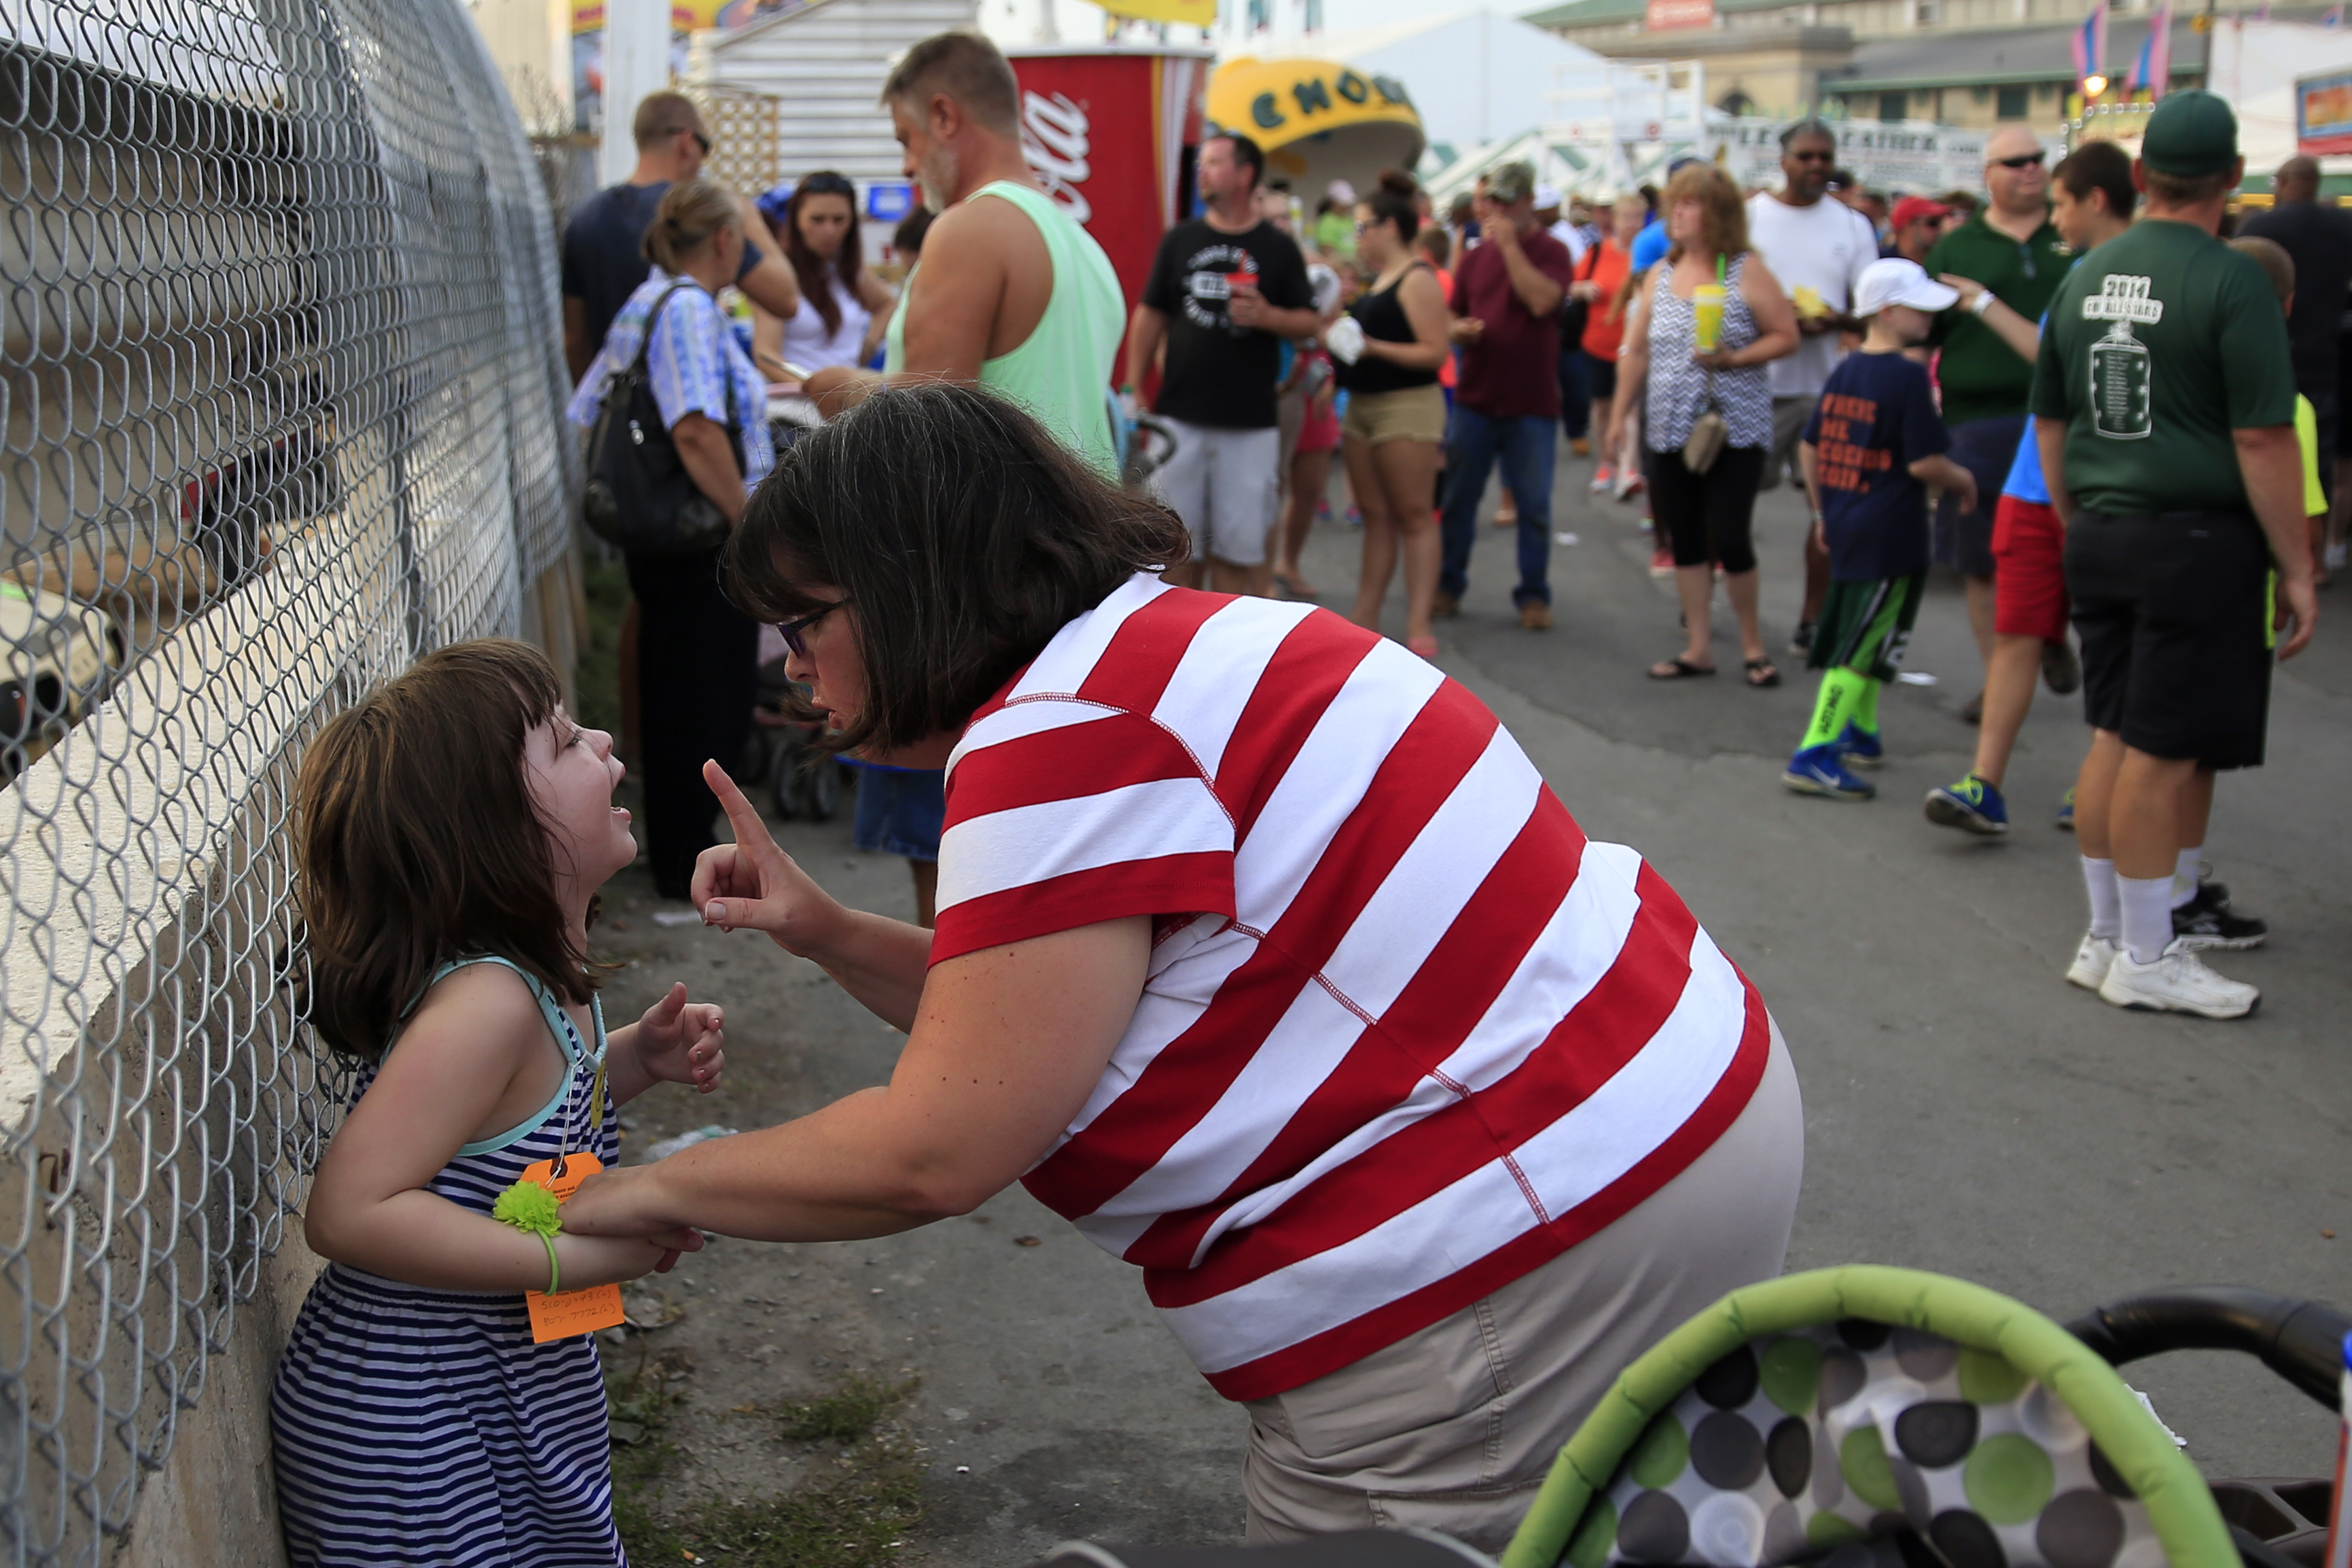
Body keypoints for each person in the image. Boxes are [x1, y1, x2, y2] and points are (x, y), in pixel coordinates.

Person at [557, 382, 1805, 1552]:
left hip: (1517, 1243)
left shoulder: (1055, 737)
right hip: (1663, 1114)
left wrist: (646, 1188)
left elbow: (936, 1146)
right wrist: (825, 929)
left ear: (903, 583)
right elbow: (1035, 1030)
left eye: (803, 620)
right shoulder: (1165, 650)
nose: (789, 662)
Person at [272, 641, 719, 1567]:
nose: (601, 741)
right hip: (410, 1418)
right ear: (499, 827)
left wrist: (634, 1057)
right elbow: (349, 1212)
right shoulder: (487, 1003)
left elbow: (516, 1123)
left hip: (497, 1382)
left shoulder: (551, 978)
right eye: (562, 744)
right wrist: (574, 1259)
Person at [2032, 90, 2313, 1018]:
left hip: (2102, 529)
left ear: (2141, 178)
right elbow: (2264, 440)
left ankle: (2109, 934)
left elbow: (2052, 418)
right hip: (2192, 539)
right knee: (2159, 749)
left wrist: (2079, 519)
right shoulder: (2231, 279)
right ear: (2234, 177)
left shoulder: (2083, 276)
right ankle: (2147, 953)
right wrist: (2299, 568)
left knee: (2115, 736)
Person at [567, 181, 773, 901]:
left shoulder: (650, 299)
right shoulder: (687, 308)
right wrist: (746, 514)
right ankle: (686, 863)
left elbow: (588, 397)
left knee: (677, 689)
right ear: (723, 241)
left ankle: (680, 853)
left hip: (664, 534)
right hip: (696, 536)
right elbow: (693, 426)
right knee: (700, 698)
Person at [1924, 142, 2135, 838]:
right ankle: (1985, 785)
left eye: (2063, 201)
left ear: (2093, 201)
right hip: (2035, 486)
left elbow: (2052, 387)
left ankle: (2096, 781)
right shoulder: (2078, 277)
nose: (2055, 214)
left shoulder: (2124, 274)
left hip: (2107, 493)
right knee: (2016, 634)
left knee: (2113, 640)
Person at [802, 31, 1125, 480]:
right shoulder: (1083, 244)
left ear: (943, 116)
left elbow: (927, 421)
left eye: (905, 140)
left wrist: (845, 390)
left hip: (1002, 538)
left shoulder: (971, 227)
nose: (907, 167)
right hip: (1080, 529)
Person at [1784, 261, 1979, 800]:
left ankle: (1861, 732)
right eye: (1920, 307)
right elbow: (1924, 463)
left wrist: (1822, 513)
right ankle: (1814, 750)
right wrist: (1963, 481)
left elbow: (1810, 445)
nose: (1930, 316)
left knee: (1868, 634)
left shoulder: (1847, 368)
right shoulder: (1908, 376)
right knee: (1863, 642)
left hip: (1847, 521)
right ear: (1889, 313)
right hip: (1891, 529)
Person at [1610, 162, 1800, 685]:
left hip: (1732, 428)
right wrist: (1621, 414)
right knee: (1686, 538)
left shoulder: (1745, 270)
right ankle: (1698, 646)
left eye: (1690, 205)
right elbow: (1637, 350)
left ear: (1717, 215)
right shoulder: (1661, 274)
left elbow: (1785, 335)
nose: (1679, 213)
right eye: (1676, 203)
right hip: (1668, 426)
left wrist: (1734, 358)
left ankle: (1753, 646)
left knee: (1733, 535)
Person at [1124, 131, 1319, 594]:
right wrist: (1134, 386)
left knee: (1241, 551)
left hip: (1250, 423)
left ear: (1244, 173)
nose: (1203, 171)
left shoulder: (1276, 247)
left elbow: (1310, 321)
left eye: (1214, 162)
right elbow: (1151, 312)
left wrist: (1269, 316)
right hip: (1180, 418)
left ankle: (1227, 653)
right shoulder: (1182, 240)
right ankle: (1177, 650)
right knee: (1169, 548)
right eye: (1203, 163)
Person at [1924, 125, 2069, 717]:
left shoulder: (2073, 235)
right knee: (1982, 559)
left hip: (2062, 418)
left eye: (2038, 159)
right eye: (2016, 162)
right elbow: (1921, 334)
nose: (2031, 169)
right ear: (1989, 176)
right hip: (1977, 422)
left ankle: (2052, 634)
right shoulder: (1957, 249)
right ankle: (1999, 679)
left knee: (2067, 544)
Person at [1746, 121, 1880, 654]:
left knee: (1827, 511)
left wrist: (1839, 319)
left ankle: (1812, 618)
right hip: (1755, 384)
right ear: (1782, 160)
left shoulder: (1851, 225)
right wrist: (1773, 323)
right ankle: (1725, 606)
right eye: (1806, 156)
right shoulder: (1753, 218)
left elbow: (1872, 309)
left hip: (1826, 388)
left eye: (1825, 157)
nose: (1817, 166)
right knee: (1731, 508)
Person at [560, 91, 800, 382]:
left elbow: (575, 341)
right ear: (687, 143)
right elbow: (785, 299)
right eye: (706, 147)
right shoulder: (698, 217)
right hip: (690, 401)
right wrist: (747, 216)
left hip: (619, 406)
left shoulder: (585, 219)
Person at [1433, 160, 1575, 630]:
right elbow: (1450, 317)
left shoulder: (1551, 250)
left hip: (1533, 401)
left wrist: (1512, 246)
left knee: (1533, 505)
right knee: (1459, 501)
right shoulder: (1474, 258)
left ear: (1529, 201)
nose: (1498, 210)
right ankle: (1449, 584)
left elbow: (1541, 302)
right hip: (1478, 396)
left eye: (1508, 201)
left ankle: (1534, 594)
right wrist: (1461, 330)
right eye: (1492, 200)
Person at [1334, 171, 1451, 655]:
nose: (1359, 238)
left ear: (1390, 227)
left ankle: (1419, 619)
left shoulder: (1417, 277)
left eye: (1364, 228)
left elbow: (1434, 353)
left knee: (1414, 514)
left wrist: (1373, 347)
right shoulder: (1377, 280)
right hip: (1365, 405)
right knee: (1377, 515)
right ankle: (1367, 614)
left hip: (1406, 406)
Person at [2237, 154, 2352, 568]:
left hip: (2270, 361)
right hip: (2329, 361)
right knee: (2322, 462)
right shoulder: (2344, 227)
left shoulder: (2261, 228)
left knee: (2265, 449)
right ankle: (2317, 559)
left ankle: (2274, 546)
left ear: (2284, 182)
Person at [751, 171, 899, 381]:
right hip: (796, 402)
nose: (829, 230)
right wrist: (814, 389)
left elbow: (887, 304)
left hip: (849, 399)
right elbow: (766, 355)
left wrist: (866, 349)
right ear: (797, 220)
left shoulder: (849, 270)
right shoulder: (778, 275)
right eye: (817, 220)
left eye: (839, 220)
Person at [1271, 266, 1343, 601]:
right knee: (1273, 489)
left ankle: (1290, 562)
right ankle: (1266, 569)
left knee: (1310, 490)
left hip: (1317, 398)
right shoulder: (1282, 285)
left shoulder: (1330, 299)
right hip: (1284, 394)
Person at [1578, 195, 1644, 496]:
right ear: (1614, 221)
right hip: (1598, 343)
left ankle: (1629, 469)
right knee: (1602, 407)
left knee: (1631, 408)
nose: (1631, 223)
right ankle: (1607, 461)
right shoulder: (1596, 252)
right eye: (1626, 216)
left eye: (1637, 217)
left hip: (1635, 346)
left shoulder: (1650, 255)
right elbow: (1571, 285)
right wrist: (1584, 289)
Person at [1887, 194, 1952, 265]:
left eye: (1941, 223)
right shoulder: (1880, 264)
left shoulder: (1944, 265)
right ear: (1909, 227)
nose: (1940, 230)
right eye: (1933, 223)